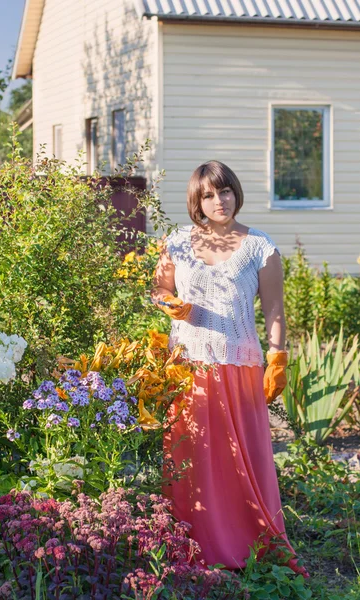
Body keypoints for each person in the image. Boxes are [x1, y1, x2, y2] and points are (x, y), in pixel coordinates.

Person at [151, 160, 307, 576]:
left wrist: (277, 358)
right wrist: (169, 303)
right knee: (192, 459)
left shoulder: (260, 247)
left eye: (225, 192)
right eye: (208, 195)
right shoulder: (178, 241)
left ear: (236, 193)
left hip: (239, 366)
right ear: (196, 201)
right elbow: (159, 287)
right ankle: (190, 544)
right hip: (186, 367)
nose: (219, 201)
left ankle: (248, 545)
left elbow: (274, 310)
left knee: (242, 461)